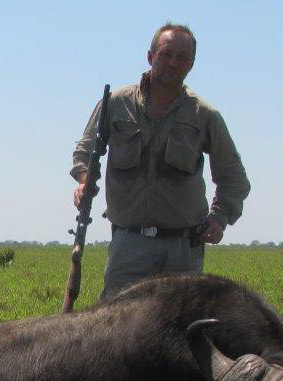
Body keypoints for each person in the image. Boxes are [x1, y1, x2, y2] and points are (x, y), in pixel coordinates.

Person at [71, 23, 250, 298]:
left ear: (191, 64)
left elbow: (234, 177)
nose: (173, 63)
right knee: (117, 331)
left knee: (180, 332)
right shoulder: (116, 103)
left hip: (182, 249)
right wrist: (84, 181)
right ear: (150, 56)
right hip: (128, 244)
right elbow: (84, 151)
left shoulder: (204, 115)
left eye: (182, 57)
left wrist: (220, 218)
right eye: (166, 54)